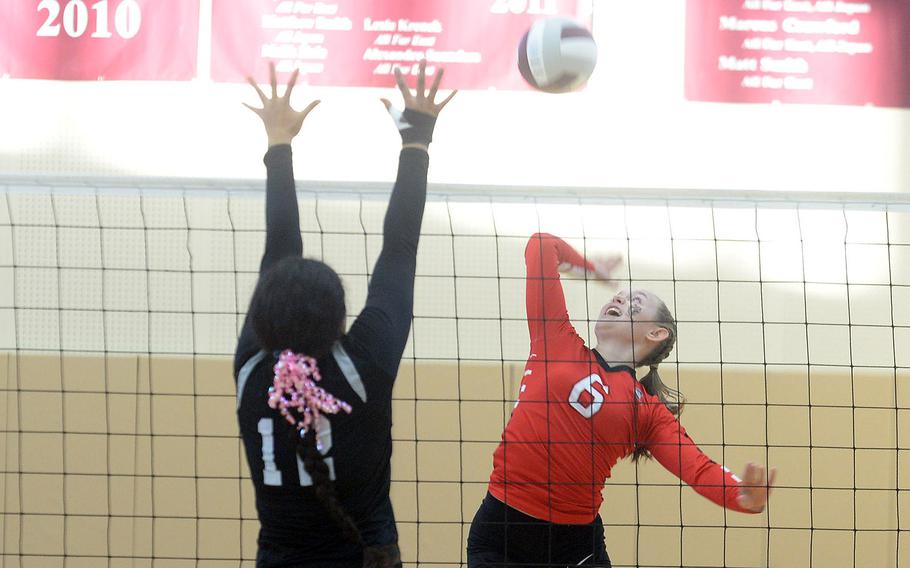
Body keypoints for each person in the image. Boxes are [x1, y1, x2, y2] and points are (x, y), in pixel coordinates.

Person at [234, 61, 455, 568]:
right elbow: (400, 250)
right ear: (339, 319)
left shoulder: (251, 371)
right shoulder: (364, 366)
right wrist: (416, 140)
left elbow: (279, 248)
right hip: (367, 555)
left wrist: (277, 143)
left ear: (262, 316)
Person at [467, 232, 776, 567]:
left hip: (572, 550)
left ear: (656, 333)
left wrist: (742, 497)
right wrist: (591, 268)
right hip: (501, 534)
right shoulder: (555, 339)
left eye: (635, 304)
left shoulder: (647, 411)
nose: (618, 301)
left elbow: (699, 469)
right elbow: (542, 245)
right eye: (619, 297)